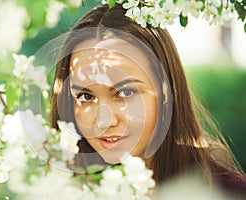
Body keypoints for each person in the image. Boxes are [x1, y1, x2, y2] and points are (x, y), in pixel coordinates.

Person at [49, 3, 246, 198]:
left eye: (125, 93)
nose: (104, 121)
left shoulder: (227, 193)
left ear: (167, 92)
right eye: (86, 96)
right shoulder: (50, 188)